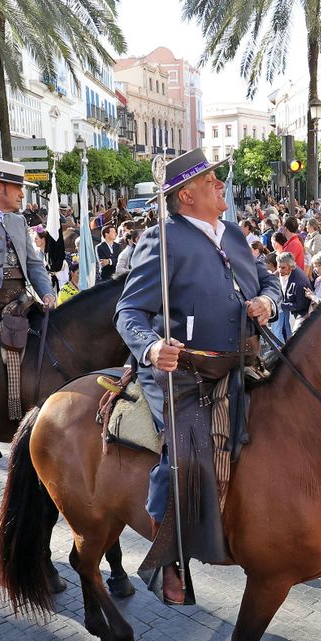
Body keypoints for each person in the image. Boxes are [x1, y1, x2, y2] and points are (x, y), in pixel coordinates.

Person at [115, 149, 279, 605]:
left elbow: (268, 283)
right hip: (185, 373)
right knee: (183, 452)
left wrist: (267, 303)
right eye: (212, 181)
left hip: (244, 361)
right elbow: (129, 311)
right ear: (187, 195)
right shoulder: (162, 239)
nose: (221, 186)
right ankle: (170, 555)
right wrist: (151, 347)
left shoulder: (234, 234)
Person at [0, 158, 57, 464]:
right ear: (1, 187)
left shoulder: (20, 221)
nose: (22, 195)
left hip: (21, 300)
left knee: (55, 336)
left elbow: (33, 263)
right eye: (19, 188)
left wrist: (46, 291)